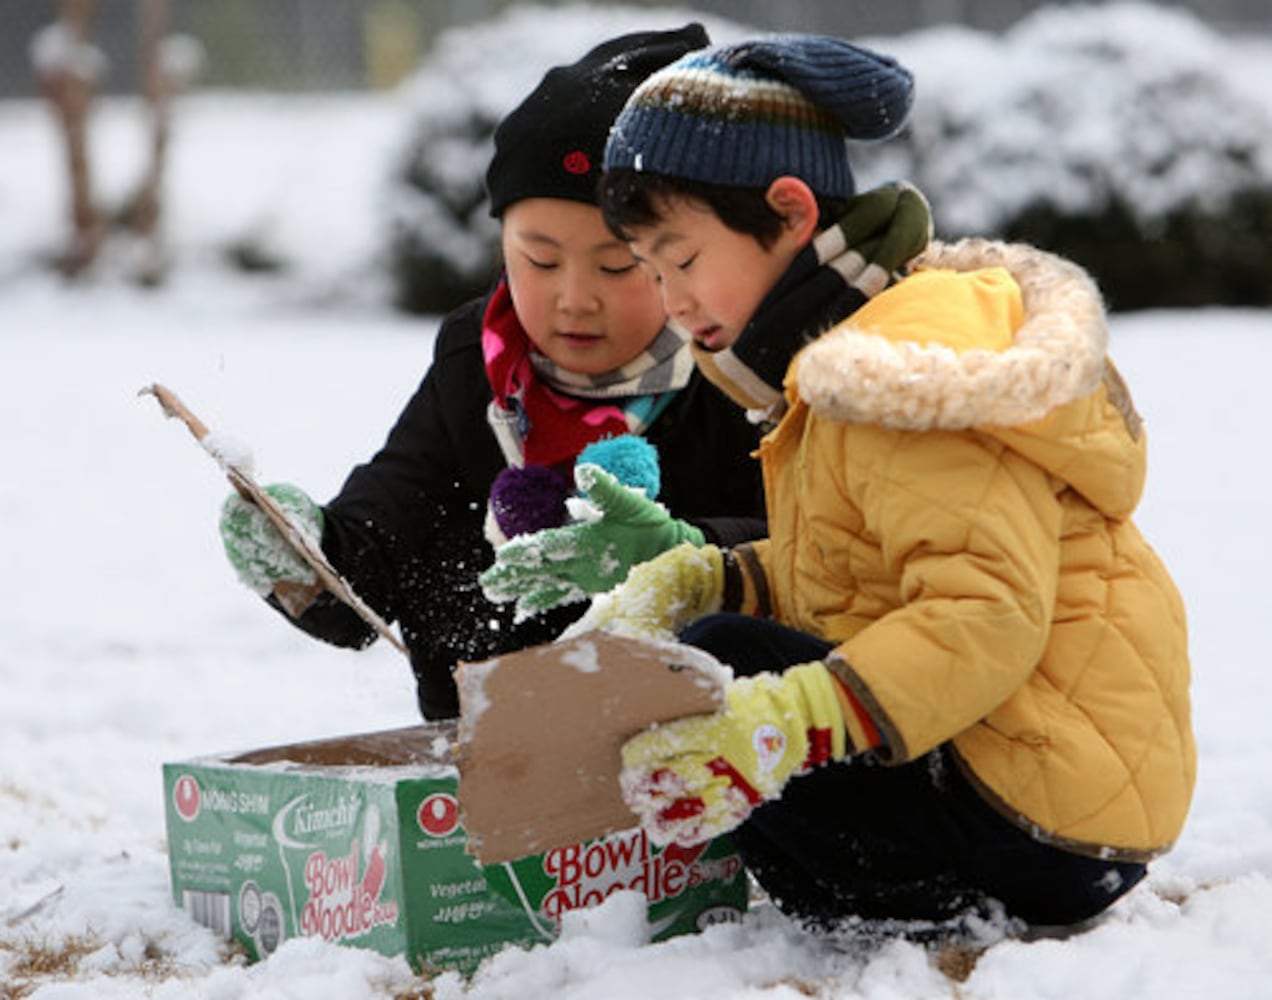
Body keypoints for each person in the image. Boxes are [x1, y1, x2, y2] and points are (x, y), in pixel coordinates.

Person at [570, 34, 1196, 934]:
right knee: (720, 639)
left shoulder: (897, 372)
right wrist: (717, 573)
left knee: (730, 664)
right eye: (654, 272)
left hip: (1042, 816)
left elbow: (981, 615)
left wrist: (786, 720)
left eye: (684, 258)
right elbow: (860, 572)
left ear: (788, 213)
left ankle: (915, 911)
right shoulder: (829, 361)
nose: (671, 300)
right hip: (1031, 790)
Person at [216, 24, 771, 721]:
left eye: (615, 265)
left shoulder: (746, 369)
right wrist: (304, 557)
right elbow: (386, 545)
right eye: (539, 260)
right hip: (498, 758)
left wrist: (682, 554)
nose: (574, 297)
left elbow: (818, 558)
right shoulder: (474, 362)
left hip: (714, 745)